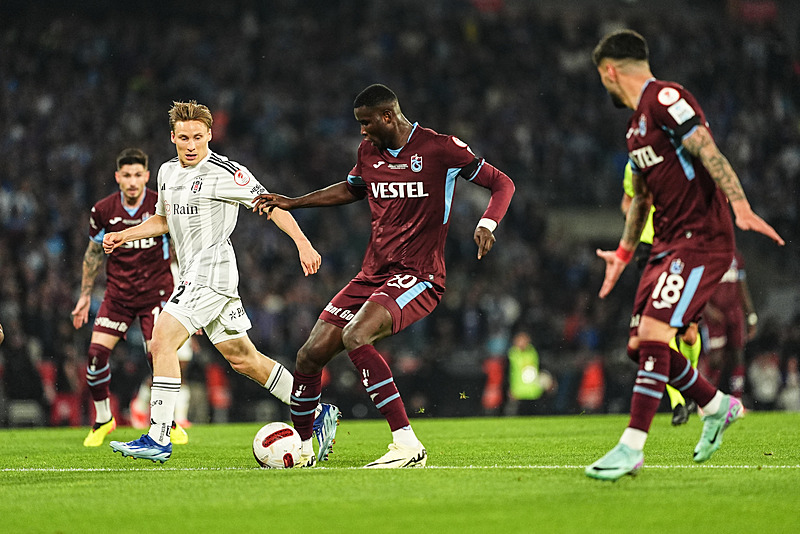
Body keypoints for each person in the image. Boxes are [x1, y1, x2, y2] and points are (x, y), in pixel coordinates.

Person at [254, 83, 515, 468]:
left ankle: (407, 445)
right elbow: (351, 188)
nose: (361, 131)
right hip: (372, 274)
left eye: (366, 123)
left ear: (388, 116)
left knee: (356, 335)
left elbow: (501, 183)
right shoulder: (368, 153)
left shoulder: (441, 148)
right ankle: (305, 449)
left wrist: (488, 223)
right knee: (308, 356)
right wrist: (295, 201)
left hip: (419, 275)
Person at [588, 30, 784, 481]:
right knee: (640, 346)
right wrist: (622, 252)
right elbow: (640, 199)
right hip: (665, 245)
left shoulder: (666, 97)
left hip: (702, 240)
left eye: (603, 79)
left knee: (657, 332)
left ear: (609, 71)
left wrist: (740, 205)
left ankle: (631, 447)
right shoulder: (635, 128)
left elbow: (705, 147)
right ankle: (717, 406)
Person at [104, 100, 337, 463]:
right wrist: (126, 234)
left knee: (161, 339)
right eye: (184, 138)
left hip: (210, 274)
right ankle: (314, 409)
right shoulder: (166, 173)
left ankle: (158, 436)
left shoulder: (225, 172)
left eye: (198, 136)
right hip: (201, 277)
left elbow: (269, 204)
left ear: (210, 135)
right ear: (173, 138)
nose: (192, 144)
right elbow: (163, 221)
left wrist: (302, 242)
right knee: (243, 358)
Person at [70, 148, 191, 447]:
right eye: (127, 175)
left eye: (138, 175)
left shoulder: (160, 204)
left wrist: (188, 298)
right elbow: (93, 254)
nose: (133, 181)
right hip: (119, 295)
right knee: (96, 355)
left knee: (159, 355)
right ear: (118, 177)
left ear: (147, 176)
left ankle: (167, 420)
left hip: (157, 293)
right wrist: (85, 296)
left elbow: (181, 249)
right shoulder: (103, 210)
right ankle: (103, 420)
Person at [621, 161, 702, 425]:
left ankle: (692, 385)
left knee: (689, 334)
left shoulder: (685, 161)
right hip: (649, 250)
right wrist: (636, 221)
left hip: (683, 246)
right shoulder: (633, 164)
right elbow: (627, 202)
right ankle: (678, 401)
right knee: (657, 329)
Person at [701, 250, 758, 399]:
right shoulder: (706, 256)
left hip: (735, 311)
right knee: (715, 358)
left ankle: (737, 400)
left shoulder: (736, 258)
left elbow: (742, 287)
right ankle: (707, 399)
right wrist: (708, 309)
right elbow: (698, 288)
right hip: (715, 314)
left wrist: (751, 316)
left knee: (737, 353)